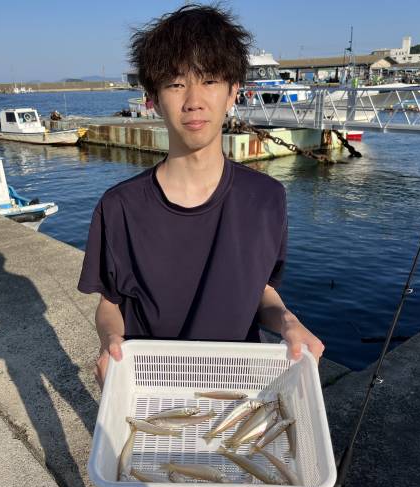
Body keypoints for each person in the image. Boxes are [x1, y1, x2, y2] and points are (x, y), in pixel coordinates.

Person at [78, 4, 324, 387]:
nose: (193, 100)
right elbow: (110, 302)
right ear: (153, 98)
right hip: (151, 389)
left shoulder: (267, 198)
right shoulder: (120, 206)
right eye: (176, 84)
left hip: (239, 389)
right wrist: (111, 341)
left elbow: (261, 290)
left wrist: (289, 323)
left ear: (233, 92)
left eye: (209, 80)